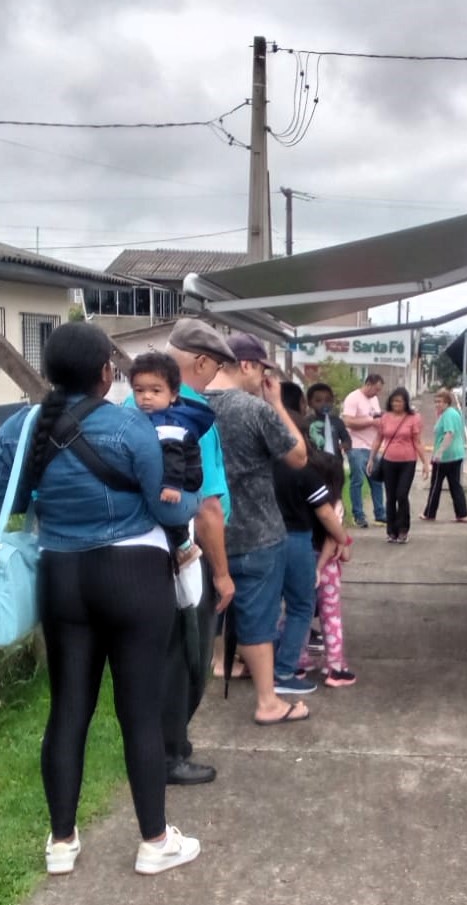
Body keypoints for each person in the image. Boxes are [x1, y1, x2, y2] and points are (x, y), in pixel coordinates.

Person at [0, 322, 203, 876]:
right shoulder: (131, 426)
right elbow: (168, 507)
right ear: (105, 372)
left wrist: (44, 490)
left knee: (68, 709)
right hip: (133, 578)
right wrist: (189, 498)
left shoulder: (22, 427)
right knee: (139, 713)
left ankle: (61, 842)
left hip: (62, 578)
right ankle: (153, 842)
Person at [204, 332, 315, 719]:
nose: (262, 378)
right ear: (248, 365)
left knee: (215, 607)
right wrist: (276, 403)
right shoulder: (255, 410)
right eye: (261, 370)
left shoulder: (190, 404)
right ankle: (268, 702)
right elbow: (299, 456)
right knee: (258, 618)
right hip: (258, 534)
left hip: (204, 532)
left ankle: (220, 663)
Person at [160, 319, 237, 786]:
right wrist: (223, 575)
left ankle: (166, 743)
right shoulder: (193, 413)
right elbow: (208, 507)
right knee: (190, 655)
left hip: (151, 551)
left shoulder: (135, 404)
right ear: (201, 362)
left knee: (162, 653)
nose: (214, 379)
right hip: (190, 554)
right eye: (215, 369)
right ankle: (171, 753)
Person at [273, 385, 357, 687]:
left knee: (296, 612)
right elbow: (334, 538)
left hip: (298, 558)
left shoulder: (303, 500)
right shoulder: (332, 505)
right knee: (330, 616)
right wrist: (324, 566)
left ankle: (296, 661)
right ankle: (335, 667)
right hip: (325, 568)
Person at [128, 351, 216, 566]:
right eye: (139, 391)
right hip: (179, 484)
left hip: (182, 483)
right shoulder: (154, 417)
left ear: (173, 394)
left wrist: (172, 485)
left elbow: (174, 456)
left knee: (166, 514)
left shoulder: (169, 423)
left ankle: (185, 547)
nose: (146, 396)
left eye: (155, 391)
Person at [369, 386, 429, 543]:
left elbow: (417, 441)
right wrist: (371, 458)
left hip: (407, 462)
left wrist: (425, 463)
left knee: (401, 495)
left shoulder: (413, 418)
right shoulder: (385, 417)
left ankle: (403, 529)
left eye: (400, 401)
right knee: (390, 497)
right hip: (389, 461)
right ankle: (391, 531)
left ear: (406, 403)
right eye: (394, 401)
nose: (397, 404)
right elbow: (378, 439)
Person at [342, 374, 386, 528]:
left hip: (371, 446)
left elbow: (375, 417)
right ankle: (358, 515)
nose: (377, 393)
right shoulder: (353, 398)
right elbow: (348, 421)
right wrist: (370, 421)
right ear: (368, 384)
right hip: (356, 446)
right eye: (376, 389)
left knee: (377, 481)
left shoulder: (374, 400)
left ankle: (380, 513)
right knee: (358, 480)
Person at [422, 387, 467, 522]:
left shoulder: (447, 415)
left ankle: (429, 513)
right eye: (436, 402)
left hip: (445, 457)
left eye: (440, 402)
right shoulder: (453, 413)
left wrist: (439, 452)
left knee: (436, 485)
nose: (437, 404)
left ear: (447, 402)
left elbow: (449, 433)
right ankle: (462, 513)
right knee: (455, 485)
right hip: (456, 455)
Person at [306, 382, 352, 466]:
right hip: (314, 464)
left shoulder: (337, 421)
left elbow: (347, 439)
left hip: (335, 463)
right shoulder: (306, 422)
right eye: (318, 401)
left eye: (328, 400)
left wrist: (345, 445)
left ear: (332, 401)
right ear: (310, 403)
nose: (324, 403)